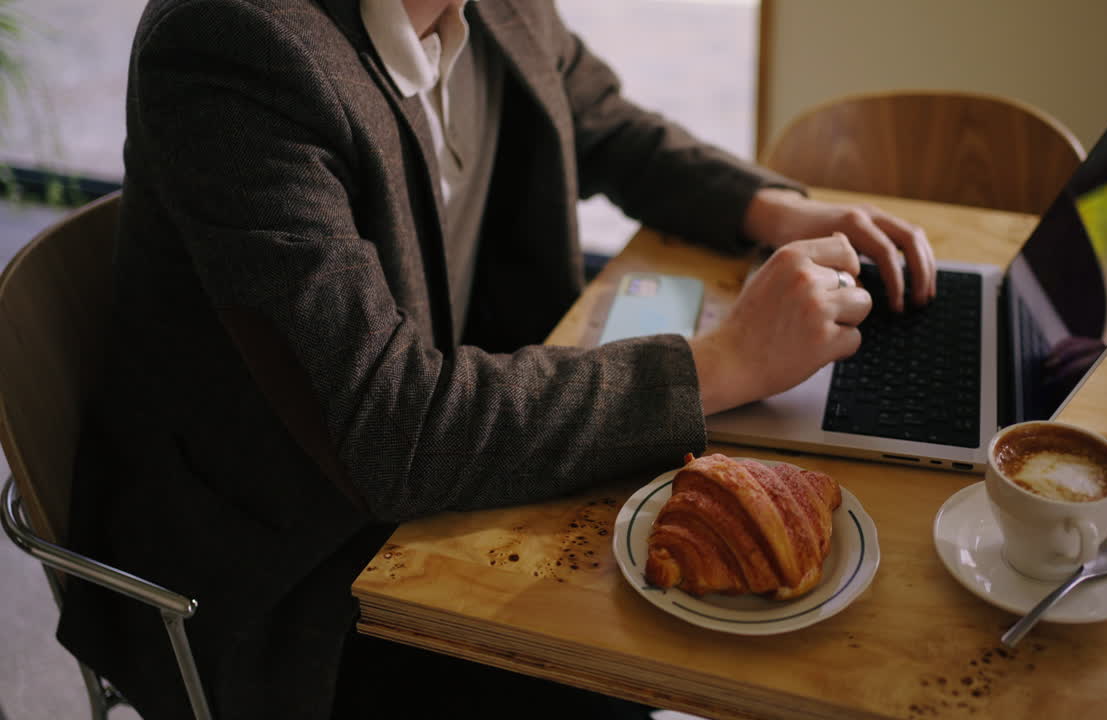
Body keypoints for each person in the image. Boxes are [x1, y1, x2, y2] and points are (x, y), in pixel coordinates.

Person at [57, 0, 936, 717]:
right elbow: (392, 431)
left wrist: (771, 208)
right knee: (624, 662)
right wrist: (729, 360)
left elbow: (604, 123)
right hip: (289, 582)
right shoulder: (233, 43)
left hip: (432, 471)